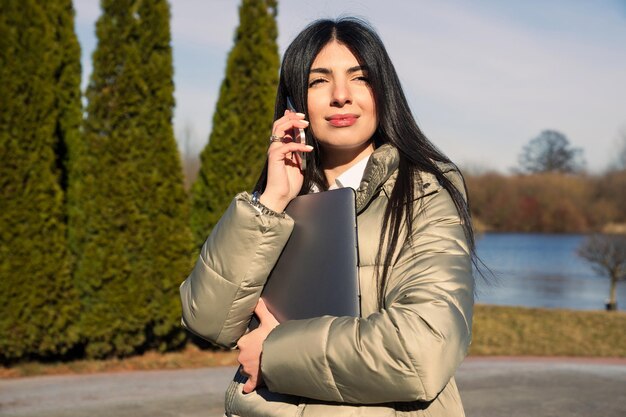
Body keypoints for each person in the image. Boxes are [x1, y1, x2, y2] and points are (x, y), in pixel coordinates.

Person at [180, 17, 475, 417]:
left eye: (360, 78)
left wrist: (273, 353)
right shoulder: (279, 200)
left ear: (383, 91)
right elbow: (206, 318)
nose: (340, 95)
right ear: (294, 102)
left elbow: (422, 352)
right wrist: (271, 199)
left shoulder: (423, 191)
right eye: (319, 81)